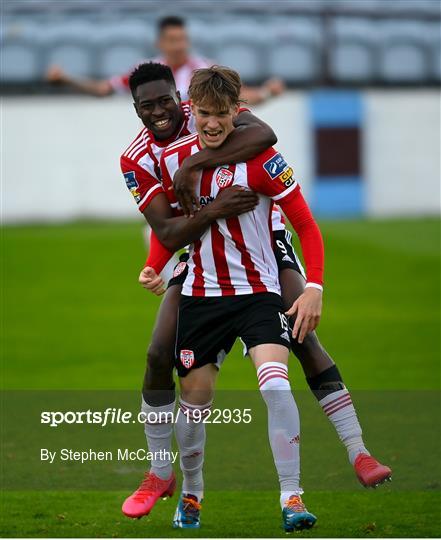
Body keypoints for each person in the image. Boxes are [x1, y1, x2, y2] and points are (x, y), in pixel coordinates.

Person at [154, 65, 323, 531]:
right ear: (192, 111)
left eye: (222, 115)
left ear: (237, 111)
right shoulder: (174, 161)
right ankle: (191, 493)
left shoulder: (264, 158)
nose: (212, 123)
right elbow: (165, 227)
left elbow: (305, 224)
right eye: (204, 113)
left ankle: (292, 496)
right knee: (195, 404)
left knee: (275, 385)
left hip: (258, 294)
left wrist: (314, 287)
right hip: (202, 296)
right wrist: (155, 263)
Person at [119, 61, 279, 519]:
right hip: (197, 258)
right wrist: (214, 210)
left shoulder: (206, 113)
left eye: (166, 100)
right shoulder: (135, 159)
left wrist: (193, 164)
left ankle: (350, 454)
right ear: (136, 109)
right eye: (147, 105)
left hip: (260, 245)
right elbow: (169, 233)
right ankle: (159, 471)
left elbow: (263, 134)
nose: (160, 111)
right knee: (156, 355)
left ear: (179, 96)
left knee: (305, 340)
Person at [46, 16, 285, 105]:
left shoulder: (204, 69)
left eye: (183, 39)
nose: (179, 45)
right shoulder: (146, 72)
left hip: (201, 149)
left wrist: (266, 93)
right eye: (173, 40)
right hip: (163, 154)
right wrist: (66, 78)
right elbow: (103, 89)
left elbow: (240, 96)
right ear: (159, 43)